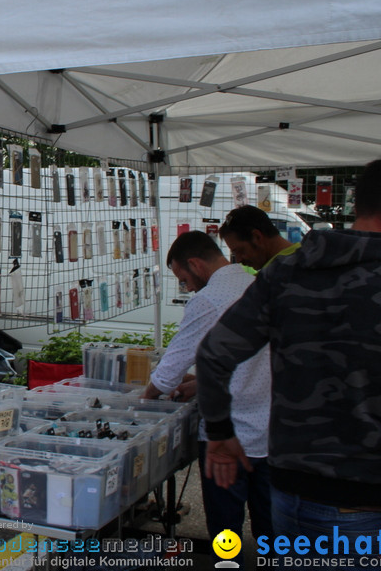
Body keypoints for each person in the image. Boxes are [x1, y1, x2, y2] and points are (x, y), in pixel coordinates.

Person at [196, 154, 381, 554]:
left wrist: (221, 434)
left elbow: (212, 355)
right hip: (368, 506)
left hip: (288, 497)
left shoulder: (283, 275)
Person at [143, 231, 271, 541]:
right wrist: (202, 383)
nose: (186, 288)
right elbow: (253, 359)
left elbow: (166, 376)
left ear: (196, 264)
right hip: (270, 435)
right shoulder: (257, 285)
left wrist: (142, 399)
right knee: (271, 528)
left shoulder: (209, 299)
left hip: (230, 436)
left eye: (183, 279)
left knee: (226, 532)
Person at [218, 205, 298, 271]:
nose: (239, 260)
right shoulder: (302, 255)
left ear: (257, 237)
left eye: (240, 251)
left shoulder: (276, 275)